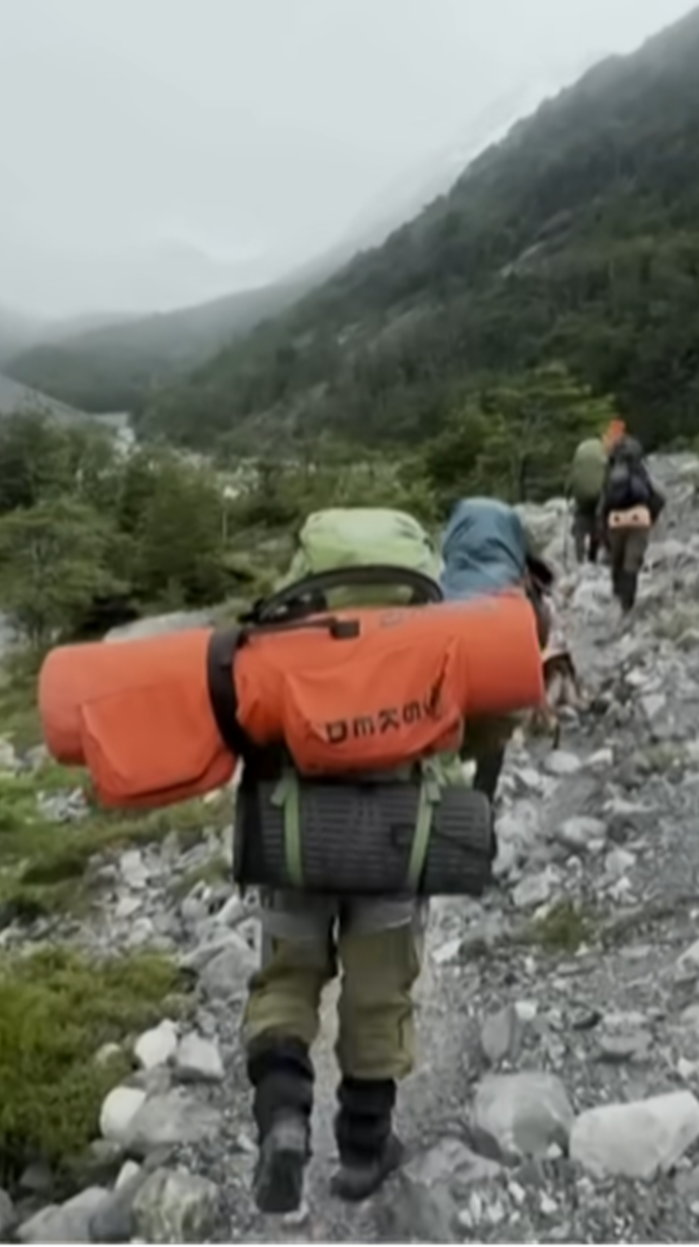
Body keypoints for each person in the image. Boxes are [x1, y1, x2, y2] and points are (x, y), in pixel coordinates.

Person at [240, 509, 442, 1214]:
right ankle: (362, 1152)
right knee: (378, 994)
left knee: (286, 980)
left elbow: (245, 720)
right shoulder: (434, 624)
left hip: (294, 834)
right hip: (394, 839)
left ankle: (283, 1116)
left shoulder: (284, 624)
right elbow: (483, 721)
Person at [439, 496, 551, 802]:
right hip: (499, 697)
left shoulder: (438, 581)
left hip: (447, 700)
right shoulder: (521, 585)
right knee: (495, 734)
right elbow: (538, 636)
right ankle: (483, 802)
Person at [597, 433, 666, 611]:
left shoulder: (610, 473)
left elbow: (603, 505)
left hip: (615, 521)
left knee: (617, 560)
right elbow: (658, 498)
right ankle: (628, 605)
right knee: (632, 563)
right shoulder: (640, 471)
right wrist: (651, 516)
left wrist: (603, 531)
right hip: (639, 519)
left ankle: (618, 596)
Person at [567, 435, 608, 564]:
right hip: (599, 497)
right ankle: (593, 556)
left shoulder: (580, 455)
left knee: (580, 527)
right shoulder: (603, 452)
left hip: (582, 499)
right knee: (596, 524)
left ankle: (580, 559)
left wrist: (568, 492)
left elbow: (572, 478)